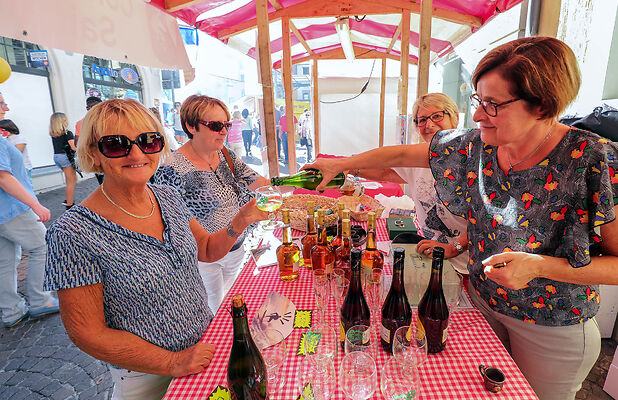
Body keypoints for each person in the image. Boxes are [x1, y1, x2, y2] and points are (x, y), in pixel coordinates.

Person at [306, 37, 618, 400]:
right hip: (483, 306)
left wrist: (540, 267)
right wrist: (341, 164)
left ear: (542, 105)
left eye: (492, 104)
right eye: (477, 100)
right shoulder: (478, 145)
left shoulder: (591, 158)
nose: (479, 114)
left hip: (552, 325)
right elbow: (408, 152)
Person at [44, 99, 267, 399]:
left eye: (148, 141)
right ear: (94, 154)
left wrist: (239, 221)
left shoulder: (166, 197)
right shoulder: (72, 232)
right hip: (144, 378)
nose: (136, 153)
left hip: (204, 349)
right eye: (116, 144)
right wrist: (172, 361)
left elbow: (208, 250)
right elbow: (87, 333)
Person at [154, 95, 271, 312]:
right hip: (204, 259)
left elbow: (262, 185)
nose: (224, 131)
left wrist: (297, 182)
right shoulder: (172, 168)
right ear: (191, 126)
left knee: (232, 302)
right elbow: (171, 224)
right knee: (215, 308)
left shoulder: (225, 154)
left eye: (227, 124)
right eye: (216, 125)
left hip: (236, 247)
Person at [344, 93, 469, 274]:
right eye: (422, 119)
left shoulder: (469, 158)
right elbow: (386, 172)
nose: (429, 124)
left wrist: (453, 248)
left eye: (437, 116)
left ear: (455, 117)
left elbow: (487, 221)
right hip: (429, 258)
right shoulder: (418, 160)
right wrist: (348, 170)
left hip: (466, 267)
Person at [1, 134, 58, 328]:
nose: (5, 108)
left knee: (5, 263)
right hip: (11, 208)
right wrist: (36, 205)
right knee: (43, 246)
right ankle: (41, 300)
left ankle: (11, 311)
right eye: (1, 103)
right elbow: (3, 177)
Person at [49, 112, 78, 209]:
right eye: (65, 120)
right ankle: (69, 205)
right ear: (61, 122)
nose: (67, 122)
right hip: (65, 157)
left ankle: (69, 198)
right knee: (71, 181)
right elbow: (73, 148)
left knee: (72, 179)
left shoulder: (54, 134)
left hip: (57, 157)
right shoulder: (67, 133)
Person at [76, 96, 104, 185]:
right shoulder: (107, 120)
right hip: (99, 157)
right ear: (87, 108)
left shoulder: (108, 119)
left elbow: (77, 143)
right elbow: (77, 143)